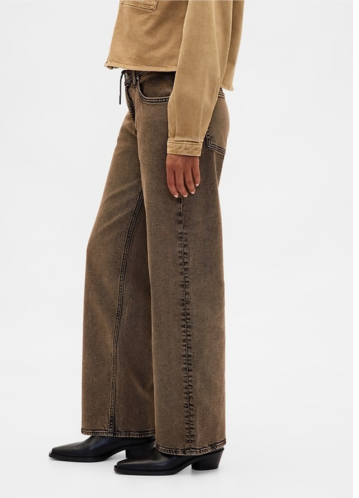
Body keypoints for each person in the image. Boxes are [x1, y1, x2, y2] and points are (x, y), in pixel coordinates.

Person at [49, 0, 244, 476]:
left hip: (178, 100)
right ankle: (124, 420)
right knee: (111, 254)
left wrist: (186, 136)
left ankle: (192, 435)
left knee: (182, 272)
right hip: (143, 95)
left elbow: (207, 25)